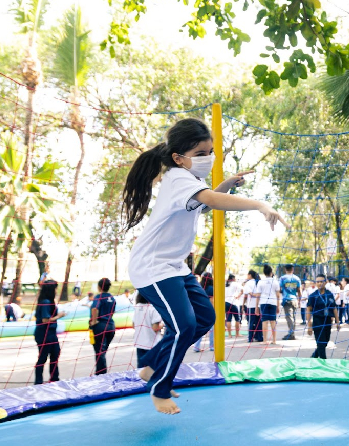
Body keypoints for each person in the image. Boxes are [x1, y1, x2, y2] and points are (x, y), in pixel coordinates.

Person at [122, 118, 287, 415]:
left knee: (204, 317)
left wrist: (229, 184)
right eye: (201, 154)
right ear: (178, 158)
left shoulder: (189, 180)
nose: (208, 158)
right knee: (184, 325)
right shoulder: (177, 179)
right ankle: (159, 388)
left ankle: (150, 366)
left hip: (174, 266)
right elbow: (212, 199)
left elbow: (207, 202)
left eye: (210, 152)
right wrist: (261, 205)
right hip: (152, 266)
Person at [34, 281, 64, 385]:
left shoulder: (49, 301)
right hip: (44, 334)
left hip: (51, 333)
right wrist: (59, 316)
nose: (56, 291)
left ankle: (54, 379)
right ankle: (38, 382)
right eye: (55, 289)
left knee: (55, 354)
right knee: (43, 357)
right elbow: (45, 320)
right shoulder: (45, 302)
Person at [306, 274, 340, 359]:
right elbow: (308, 310)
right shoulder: (313, 296)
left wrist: (338, 322)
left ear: (325, 282)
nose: (319, 283)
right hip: (318, 321)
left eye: (321, 281)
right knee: (320, 343)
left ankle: (313, 357)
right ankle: (324, 363)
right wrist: (309, 326)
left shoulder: (329, 294)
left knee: (325, 342)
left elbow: (334, 308)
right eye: (317, 282)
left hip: (328, 321)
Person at [90, 277, 117, 375]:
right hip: (111, 326)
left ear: (99, 286)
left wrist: (94, 321)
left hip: (101, 326)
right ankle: (101, 372)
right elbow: (112, 312)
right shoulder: (112, 298)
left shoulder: (99, 297)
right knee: (103, 351)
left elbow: (94, 309)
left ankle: (101, 374)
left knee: (99, 351)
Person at [133, 293, 163, 369]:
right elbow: (155, 328)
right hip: (152, 344)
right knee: (152, 369)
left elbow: (133, 325)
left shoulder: (137, 306)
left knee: (141, 369)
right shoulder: (153, 308)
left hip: (140, 343)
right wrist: (164, 324)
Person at [254, 265, 280, 345]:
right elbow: (278, 295)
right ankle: (274, 340)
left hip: (263, 303)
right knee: (273, 321)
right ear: (271, 272)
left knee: (264, 321)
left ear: (264, 273)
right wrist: (278, 306)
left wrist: (256, 307)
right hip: (273, 303)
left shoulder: (261, 282)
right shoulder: (275, 281)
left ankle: (265, 340)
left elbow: (258, 295)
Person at [278, 264, 302, 340]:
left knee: (289, 317)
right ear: (293, 269)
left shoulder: (282, 278)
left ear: (285, 269)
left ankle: (291, 334)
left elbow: (279, 289)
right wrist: (299, 301)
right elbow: (299, 290)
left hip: (287, 300)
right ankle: (292, 333)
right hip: (294, 299)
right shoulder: (297, 278)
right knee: (294, 317)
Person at [193, 273, 215, 352]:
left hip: (198, 309)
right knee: (212, 329)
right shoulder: (211, 288)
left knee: (200, 328)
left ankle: (196, 346)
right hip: (207, 310)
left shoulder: (199, 286)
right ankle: (212, 346)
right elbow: (211, 300)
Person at [243, 270, 263, 342]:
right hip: (259, 305)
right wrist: (258, 295)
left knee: (251, 322)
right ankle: (259, 337)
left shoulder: (248, 283)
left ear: (250, 275)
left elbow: (248, 294)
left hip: (251, 306)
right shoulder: (260, 282)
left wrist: (243, 305)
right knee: (259, 322)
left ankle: (250, 338)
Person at [224, 274, 243, 338]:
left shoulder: (225, 284)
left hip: (226, 302)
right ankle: (237, 333)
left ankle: (229, 334)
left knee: (228, 319)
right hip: (233, 302)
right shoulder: (235, 284)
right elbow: (242, 290)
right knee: (237, 319)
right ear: (233, 278)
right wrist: (238, 296)